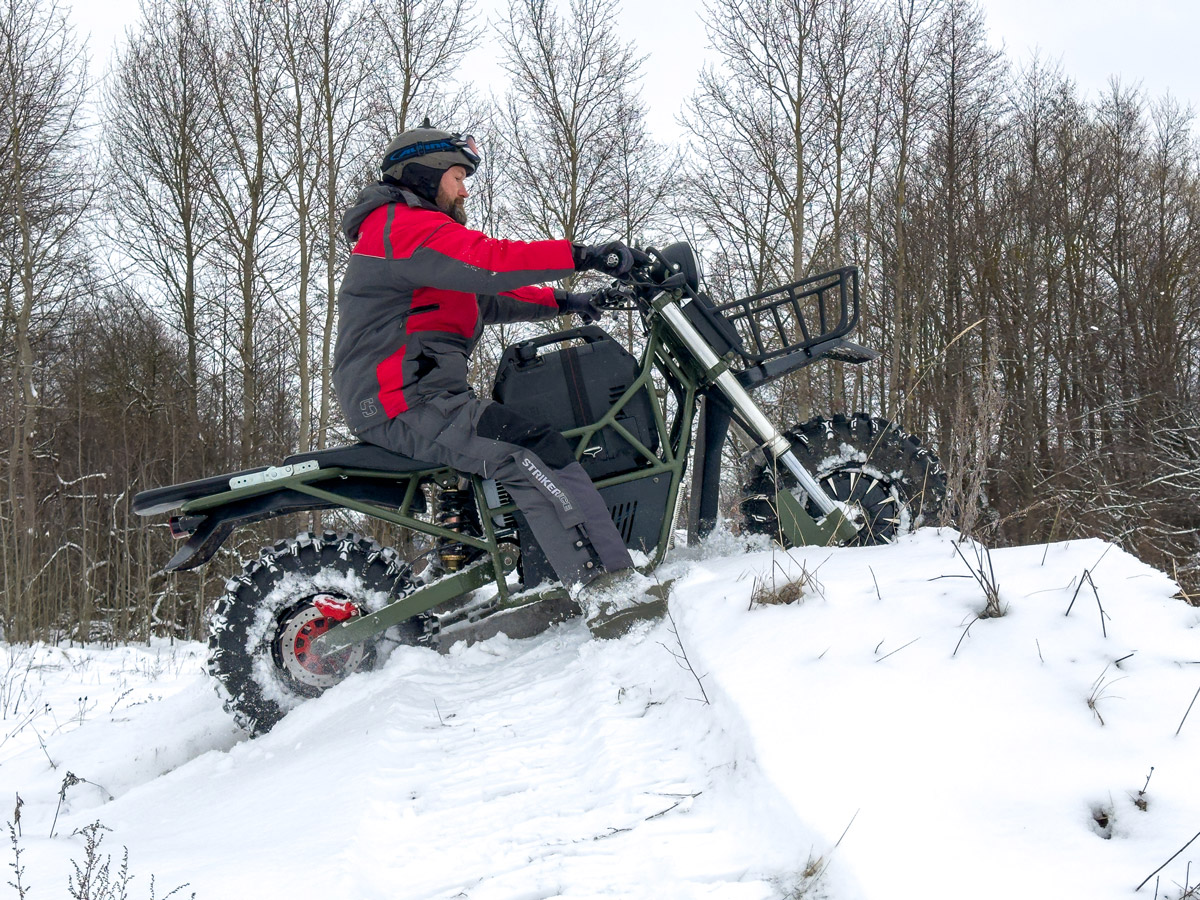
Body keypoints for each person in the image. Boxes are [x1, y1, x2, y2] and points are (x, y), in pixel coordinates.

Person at [332, 123, 665, 638]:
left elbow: (484, 297)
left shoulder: (408, 236)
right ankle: (608, 589)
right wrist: (585, 256)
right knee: (529, 450)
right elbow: (489, 262)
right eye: (458, 177)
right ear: (424, 174)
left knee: (530, 436)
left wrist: (571, 301)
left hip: (421, 394)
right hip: (403, 400)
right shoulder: (399, 226)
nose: (464, 191)